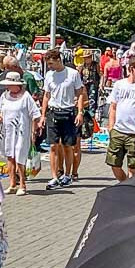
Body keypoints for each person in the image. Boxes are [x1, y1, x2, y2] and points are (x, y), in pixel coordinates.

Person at [40, 50, 86, 189]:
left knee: (67, 146)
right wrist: (43, 115)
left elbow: (80, 93)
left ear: (59, 59)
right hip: (53, 112)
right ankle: (54, 176)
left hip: (68, 112)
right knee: (53, 145)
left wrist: (80, 113)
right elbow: (46, 96)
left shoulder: (73, 74)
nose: (50, 67)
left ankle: (67, 175)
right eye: (48, 64)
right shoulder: (49, 75)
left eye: (51, 63)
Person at [0, 72, 41, 196]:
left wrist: (34, 131)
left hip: (22, 131)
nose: (8, 87)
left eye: (10, 84)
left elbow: (35, 115)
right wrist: (0, 118)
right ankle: (12, 183)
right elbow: (1, 112)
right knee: (10, 155)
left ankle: (22, 183)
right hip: (8, 131)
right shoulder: (4, 96)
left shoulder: (26, 97)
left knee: (20, 156)